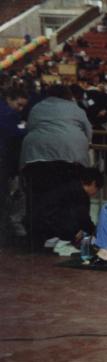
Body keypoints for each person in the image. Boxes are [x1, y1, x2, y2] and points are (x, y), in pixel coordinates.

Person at [20, 84, 92, 246]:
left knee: (38, 197)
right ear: (68, 95)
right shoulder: (76, 109)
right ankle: (68, 234)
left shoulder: (37, 107)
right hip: (70, 157)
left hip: (35, 157)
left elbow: (31, 127)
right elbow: (88, 133)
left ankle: (39, 235)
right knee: (69, 197)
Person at [34, 167, 103, 244]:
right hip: (51, 226)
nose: (95, 193)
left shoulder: (71, 185)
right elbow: (84, 219)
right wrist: (97, 232)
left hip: (40, 221)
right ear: (93, 183)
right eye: (97, 189)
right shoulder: (81, 194)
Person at [0, 87, 28, 245]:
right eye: (19, 105)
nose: (20, 109)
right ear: (10, 99)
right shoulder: (8, 114)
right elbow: (18, 132)